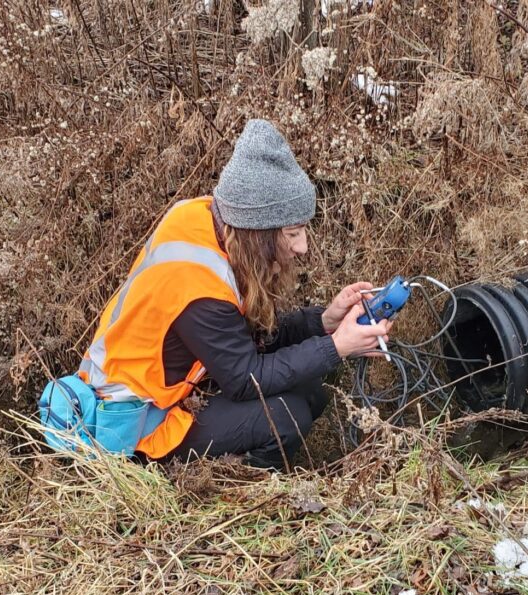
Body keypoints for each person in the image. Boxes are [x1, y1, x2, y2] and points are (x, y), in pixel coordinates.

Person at [75, 119, 391, 469]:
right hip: (135, 424)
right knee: (286, 416)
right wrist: (337, 347)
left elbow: (243, 339)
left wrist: (323, 321)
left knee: (310, 391)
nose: (302, 248)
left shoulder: (205, 219)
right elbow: (245, 379)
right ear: (258, 233)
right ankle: (219, 487)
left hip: (177, 390)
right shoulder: (196, 285)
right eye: (292, 233)